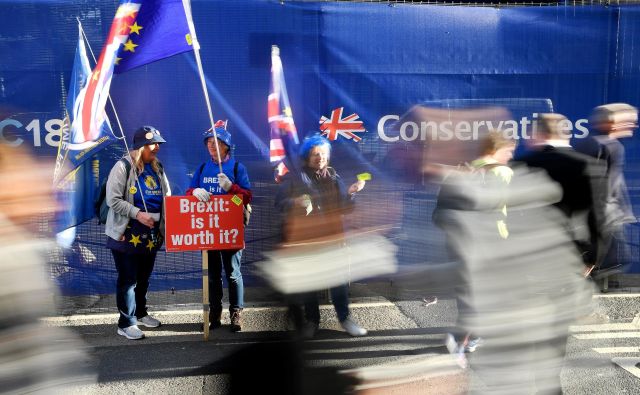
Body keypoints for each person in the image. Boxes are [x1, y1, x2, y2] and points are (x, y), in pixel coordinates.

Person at [433, 130, 515, 367]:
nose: (510, 155)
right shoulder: (502, 172)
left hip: (459, 243)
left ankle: (469, 336)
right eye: (508, 150)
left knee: (468, 293)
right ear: (495, 149)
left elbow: (438, 214)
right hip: (492, 243)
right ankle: (465, 338)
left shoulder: (458, 172)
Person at [275, 135, 367, 338]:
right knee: (310, 284)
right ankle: (312, 322)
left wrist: (351, 193)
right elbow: (280, 204)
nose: (321, 157)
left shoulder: (334, 177)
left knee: (339, 282)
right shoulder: (296, 178)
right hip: (307, 239)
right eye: (316, 154)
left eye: (324, 153)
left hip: (333, 238)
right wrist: (296, 202)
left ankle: (345, 319)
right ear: (307, 156)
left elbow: (345, 208)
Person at [105, 126, 170, 340]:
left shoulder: (157, 166)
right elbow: (113, 200)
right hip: (128, 232)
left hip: (151, 234)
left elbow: (167, 195)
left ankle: (141, 314)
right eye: (154, 143)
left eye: (159, 143)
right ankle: (126, 323)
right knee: (128, 279)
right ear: (141, 146)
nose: (158, 147)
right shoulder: (122, 167)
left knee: (143, 278)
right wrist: (138, 214)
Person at [186, 121, 252, 332]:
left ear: (226, 145)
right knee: (213, 275)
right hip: (208, 229)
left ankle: (236, 313)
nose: (211, 146)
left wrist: (232, 188)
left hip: (230, 229)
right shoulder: (203, 168)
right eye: (208, 143)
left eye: (216, 142)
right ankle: (215, 312)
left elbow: (247, 197)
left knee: (233, 272)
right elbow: (189, 192)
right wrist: (195, 192)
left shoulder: (236, 168)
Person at [521, 113, 606, 270]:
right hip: (572, 252)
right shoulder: (590, 165)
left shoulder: (521, 165)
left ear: (538, 133)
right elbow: (597, 216)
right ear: (566, 134)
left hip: (528, 252)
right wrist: (593, 258)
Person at [575, 103, 638, 281]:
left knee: (603, 263)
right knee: (615, 261)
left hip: (591, 215)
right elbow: (607, 187)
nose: (633, 125)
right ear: (612, 122)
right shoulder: (612, 147)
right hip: (605, 217)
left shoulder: (587, 142)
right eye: (628, 121)